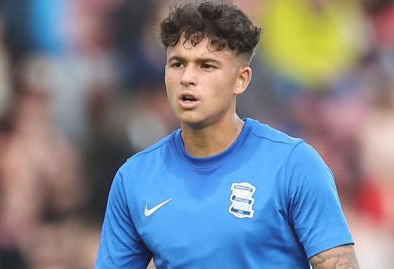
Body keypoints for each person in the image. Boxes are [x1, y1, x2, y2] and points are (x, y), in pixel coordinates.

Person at [95, 1, 359, 268]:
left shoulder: (294, 164)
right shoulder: (134, 178)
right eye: (177, 64)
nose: (187, 77)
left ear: (241, 79)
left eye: (206, 66)